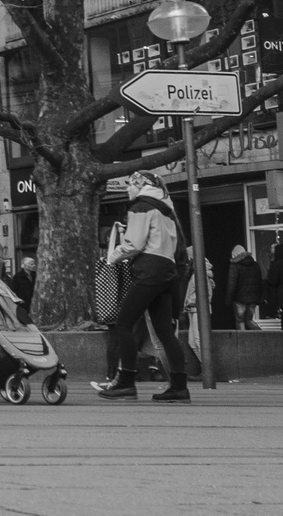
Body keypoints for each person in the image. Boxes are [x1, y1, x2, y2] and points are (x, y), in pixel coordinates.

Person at [93, 171, 192, 402]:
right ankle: (179, 388)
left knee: (124, 324)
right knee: (166, 333)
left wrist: (111, 257)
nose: (127, 189)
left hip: (148, 270)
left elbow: (133, 244)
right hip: (167, 272)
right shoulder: (166, 209)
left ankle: (126, 383)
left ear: (141, 185)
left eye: (130, 185)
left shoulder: (140, 207)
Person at [225, 245, 263, 330]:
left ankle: (242, 341)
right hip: (253, 298)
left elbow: (232, 284)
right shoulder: (255, 265)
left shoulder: (235, 266)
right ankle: (261, 336)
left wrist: (228, 300)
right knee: (249, 320)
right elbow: (260, 282)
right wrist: (260, 298)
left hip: (239, 299)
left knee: (240, 321)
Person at [10, 257, 37, 325]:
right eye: (31, 264)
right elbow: (13, 290)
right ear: (25, 265)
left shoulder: (35, 275)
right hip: (23, 302)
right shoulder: (18, 276)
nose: (34, 266)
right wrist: (18, 300)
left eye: (33, 264)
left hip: (34, 301)